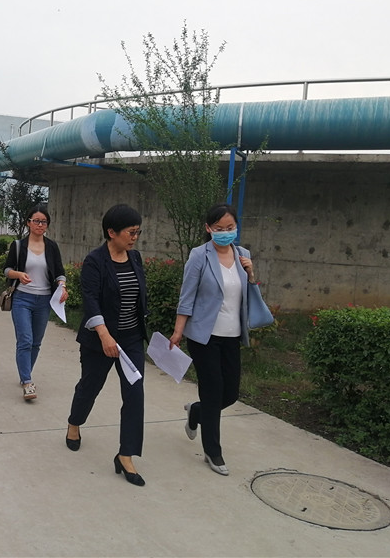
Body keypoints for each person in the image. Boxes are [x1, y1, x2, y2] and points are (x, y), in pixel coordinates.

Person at [168, 203, 254, 477]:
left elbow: (248, 296)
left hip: (232, 335)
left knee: (231, 393)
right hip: (204, 336)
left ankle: (196, 412)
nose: (225, 232)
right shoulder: (199, 255)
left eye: (230, 227)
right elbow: (187, 296)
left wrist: (251, 274)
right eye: (219, 228)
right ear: (208, 228)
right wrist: (178, 331)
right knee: (213, 390)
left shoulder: (243, 255)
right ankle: (212, 451)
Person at [66, 204, 148, 486]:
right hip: (99, 341)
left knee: (135, 396)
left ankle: (126, 455)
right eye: (130, 232)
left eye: (137, 232)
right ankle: (74, 422)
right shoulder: (95, 261)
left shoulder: (135, 257)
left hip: (131, 340)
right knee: (89, 387)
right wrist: (104, 334)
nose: (134, 237)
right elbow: (90, 299)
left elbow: (138, 297)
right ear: (112, 232)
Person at [3, 203, 67, 401]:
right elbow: (7, 270)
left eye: (44, 222)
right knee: (25, 340)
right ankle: (27, 381)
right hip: (22, 298)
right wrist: (18, 274)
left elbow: (59, 272)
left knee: (36, 342)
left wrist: (62, 286)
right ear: (28, 223)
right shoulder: (18, 246)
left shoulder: (52, 247)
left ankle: (25, 372)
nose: (40, 225)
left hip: (44, 300)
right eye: (36, 221)